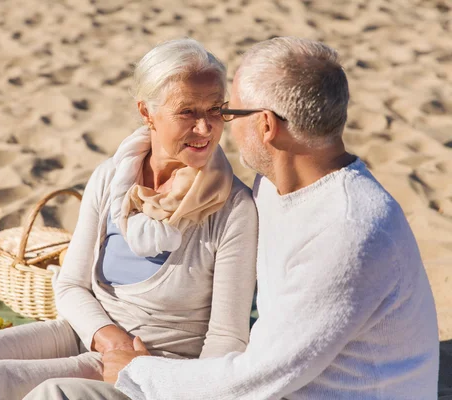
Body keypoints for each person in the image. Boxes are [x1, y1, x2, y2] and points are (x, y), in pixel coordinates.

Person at [31, 36, 440, 399]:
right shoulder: (277, 188)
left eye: (228, 111)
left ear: (264, 125)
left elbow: (256, 378)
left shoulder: (347, 231)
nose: (214, 127)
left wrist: (138, 372)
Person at [0, 38, 258, 400]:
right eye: (188, 111)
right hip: (89, 333)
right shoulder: (112, 177)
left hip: (159, 361)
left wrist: (152, 376)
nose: (206, 128)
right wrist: (108, 337)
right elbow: (71, 286)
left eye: (216, 110)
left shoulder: (233, 209)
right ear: (147, 112)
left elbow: (227, 339)